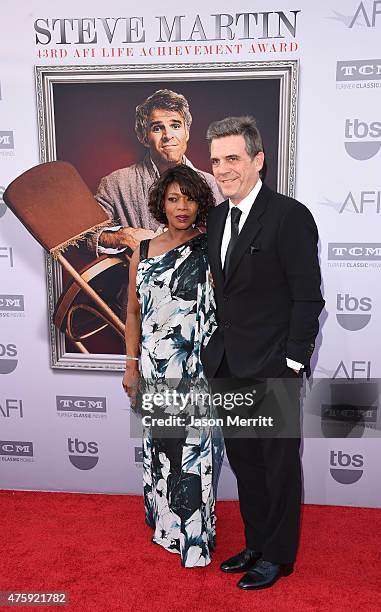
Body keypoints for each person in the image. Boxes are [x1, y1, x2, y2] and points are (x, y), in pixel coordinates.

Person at [201, 116, 325, 589]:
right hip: (229, 363)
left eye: (232, 158)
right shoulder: (216, 218)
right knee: (245, 461)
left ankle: (278, 555)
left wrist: (292, 362)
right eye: (215, 160)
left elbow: (307, 297)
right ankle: (255, 543)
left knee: (276, 464)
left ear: (258, 160)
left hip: (273, 365)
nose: (223, 169)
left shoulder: (290, 216)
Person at [122, 164, 223, 568]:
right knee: (163, 452)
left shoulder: (210, 248)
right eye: (173, 198)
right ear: (161, 203)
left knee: (194, 455)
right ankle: (166, 528)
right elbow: (132, 313)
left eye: (190, 198)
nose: (182, 207)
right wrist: (131, 367)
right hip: (153, 369)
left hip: (194, 369)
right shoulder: (142, 251)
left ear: (200, 202)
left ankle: (194, 539)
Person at [91, 89, 222, 256]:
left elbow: (228, 242)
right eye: (158, 128)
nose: (168, 135)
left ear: (187, 132)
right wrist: (123, 236)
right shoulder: (116, 184)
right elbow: (86, 237)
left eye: (175, 126)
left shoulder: (211, 183)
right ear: (143, 137)